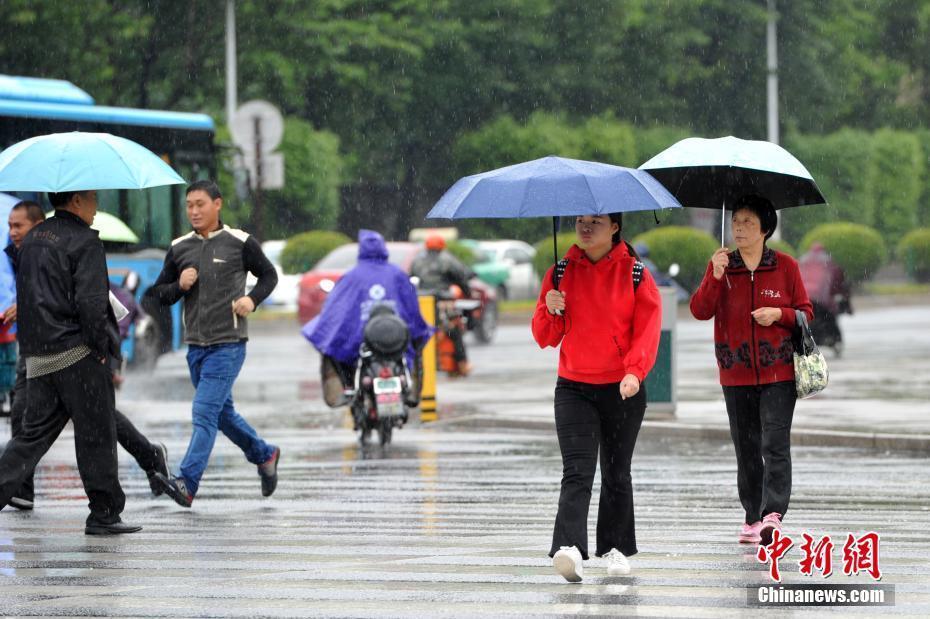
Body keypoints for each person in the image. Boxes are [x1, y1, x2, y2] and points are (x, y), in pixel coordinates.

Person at [2, 202, 168, 511]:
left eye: (17, 226)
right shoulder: (83, 241)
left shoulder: (31, 246)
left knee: (32, 435)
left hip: (40, 355)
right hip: (73, 355)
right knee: (96, 433)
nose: (95, 207)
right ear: (78, 200)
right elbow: (91, 303)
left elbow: (42, 297)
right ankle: (105, 512)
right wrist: (100, 349)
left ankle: (139, 467)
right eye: (92, 199)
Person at [532, 212, 662, 582]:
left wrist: (635, 371)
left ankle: (617, 549)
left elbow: (648, 330)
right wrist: (550, 307)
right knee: (577, 471)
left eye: (597, 222)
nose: (586, 228)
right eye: (581, 221)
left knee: (616, 472)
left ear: (615, 227)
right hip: (573, 387)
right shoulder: (559, 272)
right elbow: (545, 337)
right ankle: (569, 548)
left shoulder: (635, 273)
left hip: (623, 386)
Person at [690, 195, 813, 546]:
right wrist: (714, 277)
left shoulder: (786, 266)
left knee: (774, 442)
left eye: (747, 222)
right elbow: (700, 310)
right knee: (745, 446)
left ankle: (773, 513)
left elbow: (806, 312)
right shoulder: (722, 265)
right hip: (735, 371)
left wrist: (779, 315)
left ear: (765, 228)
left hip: (779, 372)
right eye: (736, 222)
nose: (739, 228)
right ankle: (752, 516)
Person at [149, 180, 279, 508]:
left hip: (229, 344)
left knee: (204, 412)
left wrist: (252, 300)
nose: (194, 211)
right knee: (222, 415)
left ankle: (187, 482)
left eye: (200, 204)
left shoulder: (240, 242)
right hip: (196, 347)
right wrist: (179, 284)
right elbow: (157, 295)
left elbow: (269, 276)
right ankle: (265, 455)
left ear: (217, 205)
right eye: (189, 205)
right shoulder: (179, 247)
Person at [303, 229, 432, 408]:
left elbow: (336, 310)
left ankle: (348, 388)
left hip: (359, 341)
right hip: (397, 339)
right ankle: (412, 393)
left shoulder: (351, 276)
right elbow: (412, 311)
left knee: (334, 352)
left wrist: (326, 329)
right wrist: (418, 331)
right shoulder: (397, 274)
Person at [409, 234, 472, 375]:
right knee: (454, 331)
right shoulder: (447, 259)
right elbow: (461, 277)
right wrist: (468, 293)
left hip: (422, 302)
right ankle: (463, 364)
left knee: (418, 333)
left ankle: (415, 367)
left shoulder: (417, 260)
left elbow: (410, 279)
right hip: (443, 301)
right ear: (442, 246)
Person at [798, 243, 851, 356]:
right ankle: (834, 340)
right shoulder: (830, 263)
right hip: (823, 300)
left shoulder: (802, 262)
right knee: (830, 317)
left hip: (804, 299)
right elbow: (839, 283)